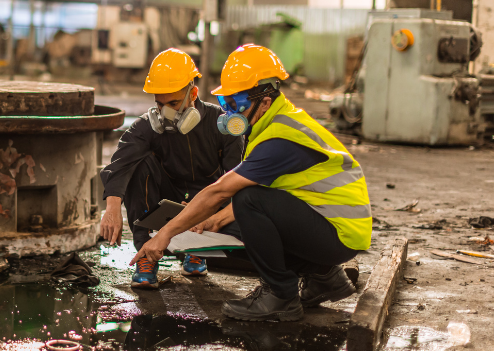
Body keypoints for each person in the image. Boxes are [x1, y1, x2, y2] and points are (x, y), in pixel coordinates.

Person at [130, 44, 371, 321]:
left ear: (264, 101)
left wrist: (165, 234)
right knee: (233, 219)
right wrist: (208, 218)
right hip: (324, 221)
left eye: (236, 105)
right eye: (226, 104)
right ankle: (324, 277)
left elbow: (221, 190)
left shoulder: (281, 137)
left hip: (339, 232)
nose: (230, 113)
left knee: (247, 200)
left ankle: (281, 296)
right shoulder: (271, 122)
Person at [100, 48, 244, 289]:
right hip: (165, 199)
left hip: (208, 200)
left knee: (238, 197)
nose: (167, 112)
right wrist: (113, 206)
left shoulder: (222, 123)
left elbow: (236, 178)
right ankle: (146, 256)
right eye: (160, 104)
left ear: (193, 93)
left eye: (174, 103)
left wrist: (208, 209)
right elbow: (121, 162)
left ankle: (197, 248)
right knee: (138, 165)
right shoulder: (149, 126)